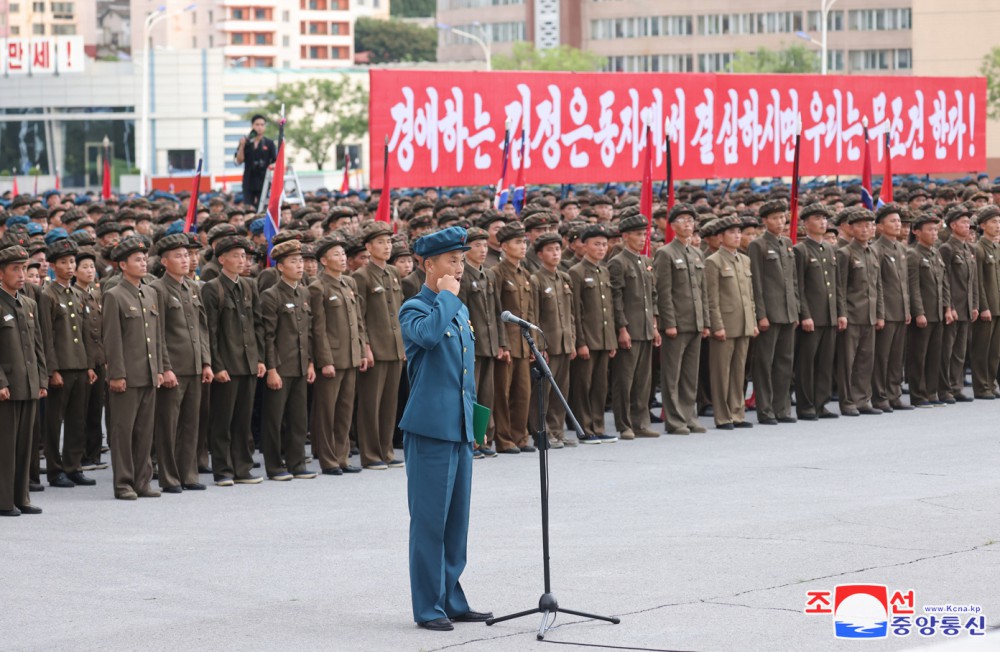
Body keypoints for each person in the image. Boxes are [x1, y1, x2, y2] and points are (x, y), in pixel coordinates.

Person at [397, 226, 492, 631]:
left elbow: (465, 374)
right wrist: (448, 296)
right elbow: (430, 338)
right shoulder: (415, 308)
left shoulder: (460, 308)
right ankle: (428, 606)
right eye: (452, 261)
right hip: (430, 429)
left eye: (461, 259)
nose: (460, 266)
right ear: (428, 265)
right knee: (430, 522)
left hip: (458, 427)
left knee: (456, 521)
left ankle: (452, 597)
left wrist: (476, 421)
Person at [102, 236, 165, 500]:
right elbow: (112, 340)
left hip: (149, 373)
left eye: (144, 259)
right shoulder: (113, 295)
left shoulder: (150, 292)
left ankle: (143, 481)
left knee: (144, 432)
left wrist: (159, 368)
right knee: (122, 432)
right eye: (137, 260)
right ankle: (123, 483)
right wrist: (116, 374)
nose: (143, 263)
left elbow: (157, 335)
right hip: (126, 375)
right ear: (122, 265)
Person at [150, 234, 213, 493]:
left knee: (191, 423)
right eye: (178, 255)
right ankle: (169, 477)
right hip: (173, 368)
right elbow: (158, 333)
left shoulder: (194, 287)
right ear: (164, 261)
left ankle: (189, 474)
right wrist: (165, 368)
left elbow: (202, 330)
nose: (185, 260)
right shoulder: (158, 289)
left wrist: (207, 363)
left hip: (195, 366)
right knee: (169, 425)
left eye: (187, 255)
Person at [202, 235, 265, 486]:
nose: (242, 260)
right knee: (223, 420)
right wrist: (217, 366)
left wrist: (260, 359)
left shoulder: (249, 286)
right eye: (236, 256)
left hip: (248, 363)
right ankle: (223, 470)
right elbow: (210, 331)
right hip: (226, 365)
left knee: (243, 419)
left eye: (244, 256)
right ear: (222, 259)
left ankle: (243, 467)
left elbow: (257, 325)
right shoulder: (212, 287)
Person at [38, 238, 98, 488]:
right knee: (54, 421)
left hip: (80, 365)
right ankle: (55, 469)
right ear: (53, 266)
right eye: (63, 262)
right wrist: (52, 370)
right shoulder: (47, 295)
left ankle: (73, 466)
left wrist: (90, 365)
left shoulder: (77, 293)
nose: (70, 266)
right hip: (61, 367)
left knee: (77, 419)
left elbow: (85, 333)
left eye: (72, 261)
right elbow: (46, 335)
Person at [309, 235, 367, 476]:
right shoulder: (317, 287)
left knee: (345, 410)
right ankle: (328, 459)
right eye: (336, 255)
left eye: (344, 254)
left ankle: (342, 456)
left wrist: (362, 350)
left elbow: (358, 321)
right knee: (327, 411)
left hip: (351, 355)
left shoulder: (348, 283)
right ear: (323, 260)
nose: (342, 259)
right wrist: (325, 361)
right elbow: (318, 329)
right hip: (332, 359)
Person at [260, 239, 317, 480]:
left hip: (301, 365)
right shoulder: (271, 295)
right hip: (281, 366)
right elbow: (268, 336)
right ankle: (274, 465)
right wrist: (271, 368)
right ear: (280, 267)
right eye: (293, 261)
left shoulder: (304, 292)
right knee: (274, 418)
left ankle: (296, 463)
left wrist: (311, 362)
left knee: (298, 417)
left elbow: (309, 331)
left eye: (301, 261)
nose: (299, 266)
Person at [353, 221, 406, 470]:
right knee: (370, 404)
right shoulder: (361, 276)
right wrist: (365, 346)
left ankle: (386, 449)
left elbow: (400, 311)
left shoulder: (393, 273)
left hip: (395, 346)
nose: (387, 247)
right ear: (368, 246)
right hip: (375, 347)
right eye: (381, 243)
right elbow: (359, 316)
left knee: (389, 403)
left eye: (389, 242)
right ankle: (371, 454)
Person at [0, 243, 47, 516]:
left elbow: (38, 345)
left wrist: (41, 378)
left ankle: (22, 496)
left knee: (24, 445)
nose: (21, 274)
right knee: (5, 446)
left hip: (28, 383)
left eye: (24, 268)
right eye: (15, 269)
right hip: (8, 386)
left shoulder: (27, 303)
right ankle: (4, 500)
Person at [654, 203, 709, 435]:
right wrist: (670, 323)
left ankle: (689, 416)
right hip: (677, 323)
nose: (688, 224)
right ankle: (675, 419)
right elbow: (663, 291)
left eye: (691, 220)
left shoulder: (697, 253)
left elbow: (702, 290)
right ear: (673, 225)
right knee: (672, 374)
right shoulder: (665, 253)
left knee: (689, 374)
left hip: (695, 321)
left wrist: (705, 321)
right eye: (683, 220)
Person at [607, 213, 660, 439]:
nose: (643, 239)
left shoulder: (645, 261)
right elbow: (616, 299)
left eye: (645, 234)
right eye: (638, 235)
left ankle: (641, 421)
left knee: (643, 380)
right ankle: (624, 424)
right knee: (624, 380)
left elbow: (653, 296)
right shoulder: (618, 262)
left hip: (646, 328)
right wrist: (622, 328)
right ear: (625, 236)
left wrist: (655, 325)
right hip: (629, 328)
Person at [747, 200, 799, 425]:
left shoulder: (787, 243)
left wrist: (795, 310)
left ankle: (782, 408)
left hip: (788, 312)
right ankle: (765, 410)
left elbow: (793, 281)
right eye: (775, 218)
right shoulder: (758, 245)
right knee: (764, 364)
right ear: (765, 221)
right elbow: (756, 283)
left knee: (785, 362)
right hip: (770, 312)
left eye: (782, 217)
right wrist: (761, 314)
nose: (781, 221)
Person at [457, 227, 506, 457]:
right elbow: (461, 313)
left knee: (488, 394)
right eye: (477, 245)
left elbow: (497, 312)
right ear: (466, 249)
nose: (483, 250)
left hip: (490, 342)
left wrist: (502, 342)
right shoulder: (462, 275)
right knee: (471, 394)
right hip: (472, 344)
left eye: (485, 245)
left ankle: (485, 438)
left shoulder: (489, 274)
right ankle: (471, 440)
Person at [705, 216, 758, 429]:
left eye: (739, 232)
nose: (737, 236)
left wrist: (752, 320)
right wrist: (717, 325)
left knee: (738, 371)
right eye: (732, 232)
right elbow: (712, 297)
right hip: (725, 324)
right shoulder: (713, 261)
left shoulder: (744, 260)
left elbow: (750, 295)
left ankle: (737, 412)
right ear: (720, 237)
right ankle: (723, 415)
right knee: (721, 372)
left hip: (743, 322)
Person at [568, 225, 619, 443]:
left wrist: (612, 339)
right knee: (583, 385)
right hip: (587, 339)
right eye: (596, 244)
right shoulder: (576, 272)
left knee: (600, 385)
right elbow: (576, 310)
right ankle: (585, 428)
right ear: (584, 246)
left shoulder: (604, 270)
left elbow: (609, 307)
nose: (601, 248)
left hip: (604, 338)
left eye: (604, 244)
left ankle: (598, 425)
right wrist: (580, 342)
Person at [491, 221, 537, 454]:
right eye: (517, 242)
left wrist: (533, 344)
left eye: (524, 242)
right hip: (507, 343)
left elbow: (529, 312)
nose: (522, 246)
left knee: (523, 392)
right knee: (503, 393)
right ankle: (504, 438)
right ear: (504, 246)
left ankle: (521, 436)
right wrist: (501, 343)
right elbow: (496, 311)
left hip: (523, 342)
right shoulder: (497, 273)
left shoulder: (525, 274)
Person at [528, 232, 577, 448]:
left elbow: (571, 314)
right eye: (550, 250)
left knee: (561, 392)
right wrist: (538, 346)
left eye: (558, 249)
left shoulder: (564, 278)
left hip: (565, 342)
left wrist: (573, 340)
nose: (555, 253)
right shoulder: (536, 279)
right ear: (540, 254)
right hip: (548, 344)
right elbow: (533, 316)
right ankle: (543, 432)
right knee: (544, 393)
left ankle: (557, 431)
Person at [836, 209, 885, 416]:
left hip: (870, 314)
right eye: (861, 226)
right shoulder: (844, 253)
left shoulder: (873, 251)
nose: (866, 229)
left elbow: (878, 285)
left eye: (869, 225)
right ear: (851, 228)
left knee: (866, 359)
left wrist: (880, 313)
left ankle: (862, 399)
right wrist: (842, 313)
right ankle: (847, 401)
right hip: (852, 314)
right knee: (848, 361)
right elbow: (840, 287)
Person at [906, 215, 952, 407]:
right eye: (929, 229)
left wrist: (948, 308)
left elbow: (944, 283)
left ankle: (932, 392)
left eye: (936, 229)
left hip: (938, 313)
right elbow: (913, 286)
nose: (934, 233)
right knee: (919, 355)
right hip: (924, 313)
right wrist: (919, 312)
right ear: (916, 232)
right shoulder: (913, 254)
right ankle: (918, 395)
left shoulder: (935, 253)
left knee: (935, 354)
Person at [870, 203, 912, 412]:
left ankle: (894, 394)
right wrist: (880, 313)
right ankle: (880, 396)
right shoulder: (876, 249)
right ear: (879, 226)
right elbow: (876, 284)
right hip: (885, 311)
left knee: (896, 357)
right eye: (892, 221)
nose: (898, 225)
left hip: (900, 310)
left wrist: (907, 310)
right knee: (882, 357)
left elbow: (904, 283)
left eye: (899, 221)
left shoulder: (902, 249)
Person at [937, 205, 978, 403]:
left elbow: (973, 281)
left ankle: (956, 385)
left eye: (968, 222)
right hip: (953, 308)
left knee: (960, 351)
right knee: (948, 351)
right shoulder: (946, 248)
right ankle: (945, 389)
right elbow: (944, 279)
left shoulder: (969, 248)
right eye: (963, 222)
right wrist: (948, 306)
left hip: (966, 307)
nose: (968, 225)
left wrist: (975, 304)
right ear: (953, 225)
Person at [971, 205, 1000, 399]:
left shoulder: (997, 247)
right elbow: (977, 281)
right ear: (982, 225)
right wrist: (983, 307)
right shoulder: (978, 248)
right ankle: (981, 386)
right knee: (982, 349)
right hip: (987, 306)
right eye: (993, 222)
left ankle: (991, 383)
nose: (997, 225)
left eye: (999, 222)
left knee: (995, 350)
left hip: (998, 305)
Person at [235, 114, 277, 209]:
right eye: (257, 124)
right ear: (252, 126)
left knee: (262, 208)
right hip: (248, 180)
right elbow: (238, 161)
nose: (259, 127)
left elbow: (275, 161)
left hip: (264, 180)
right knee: (248, 208)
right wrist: (242, 146)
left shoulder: (269, 143)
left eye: (262, 125)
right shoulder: (246, 142)